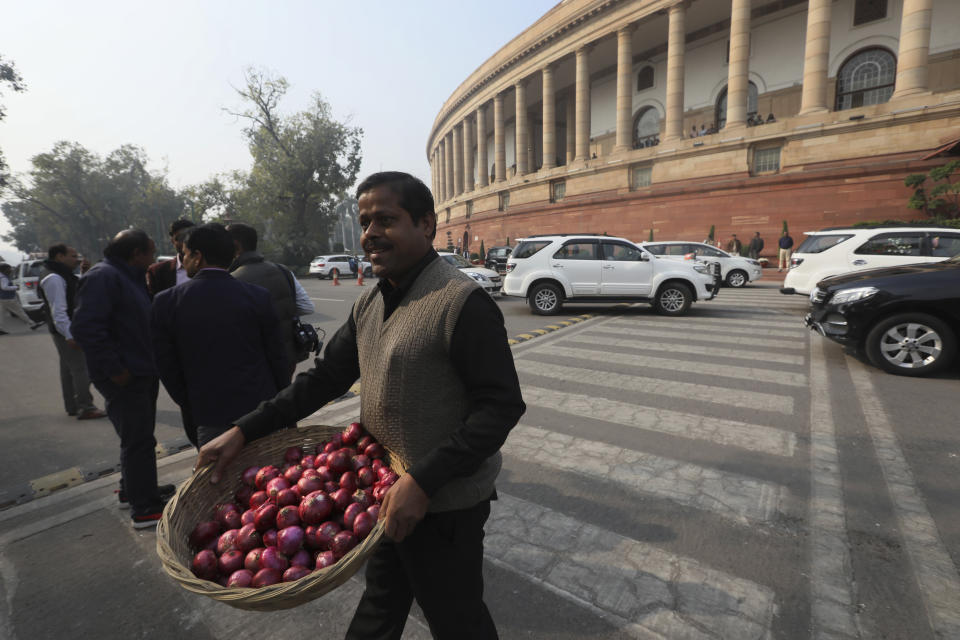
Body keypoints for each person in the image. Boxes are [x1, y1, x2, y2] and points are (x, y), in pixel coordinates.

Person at [197, 171, 525, 638]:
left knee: (456, 617)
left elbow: (501, 407)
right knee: (381, 604)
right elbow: (325, 378)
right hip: (381, 493)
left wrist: (423, 480)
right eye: (365, 220)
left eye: (386, 220)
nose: (370, 234)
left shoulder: (461, 303)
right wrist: (245, 429)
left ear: (427, 225)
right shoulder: (370, 301)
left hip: (445, 503)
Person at [153, 224, 289, 447]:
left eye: (185, 254)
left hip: (208, 414)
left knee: (219, 477)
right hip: (259, 410)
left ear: (197, 256)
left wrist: (191, 402)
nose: (183, 259)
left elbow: (167, 367)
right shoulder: (258, 297)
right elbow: (277, 358)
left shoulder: (167, 302)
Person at [71, 229, 173, 528]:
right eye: (151, 253)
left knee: (137, 437)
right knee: (138, 440)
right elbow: (87, 329)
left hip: (140, 369)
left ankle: (135, 490)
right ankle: (145, 509)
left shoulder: (128, 276)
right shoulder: (103, 277)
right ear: (135, 254)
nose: (153, 259)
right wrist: (116, 370)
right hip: (125, 376)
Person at [226, 223, 314, 383]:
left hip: (254, 364)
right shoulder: (282, 270)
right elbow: (307, 306)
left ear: (236, 246)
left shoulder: (231, 280)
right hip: (287, 359)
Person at [38, 244, 106, 420]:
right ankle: (86, 407)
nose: (77, 259)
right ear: (59, 257)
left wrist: (83, 274)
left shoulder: (61, 274)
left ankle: (73, 405)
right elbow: (58, 311)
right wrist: (70, 335)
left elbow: (73, 291)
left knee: (68, 369)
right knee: (81, 368)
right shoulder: (53, 277)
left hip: (65, 329)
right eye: (73, 256)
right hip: (66, 330)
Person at [146, 219, 195, 298]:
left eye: (188, 237)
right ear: (172, 241)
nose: (185, 242)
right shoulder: (157, 272)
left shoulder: (209, 268)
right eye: (181, 238)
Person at [0, 263, 44, 334]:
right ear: (4, 270)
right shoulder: (3, 278)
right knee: (20, 311)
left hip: (2, 298)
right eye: (9, 269)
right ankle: (32, 324)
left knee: (1, 314)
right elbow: (4, 287)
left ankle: (0, 329)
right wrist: (15, 287)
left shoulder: (1, 276)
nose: (11, 270)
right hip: (9, 298)